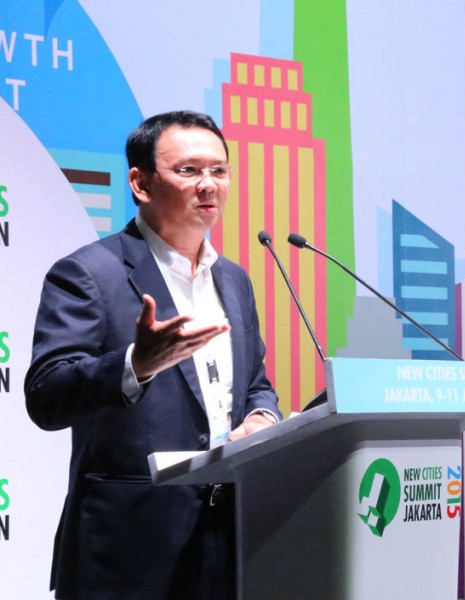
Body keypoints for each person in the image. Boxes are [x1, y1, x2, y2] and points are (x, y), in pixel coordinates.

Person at [24, 110, 281, 599]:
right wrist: (135, 365)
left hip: (230, 539)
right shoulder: (88, 274)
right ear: (140, 184)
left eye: (219, 170)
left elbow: (255, 385)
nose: (208, 185)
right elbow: (46, 396)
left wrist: (262, 418)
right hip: (127, 552)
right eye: (189, 170)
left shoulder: (233, 279)